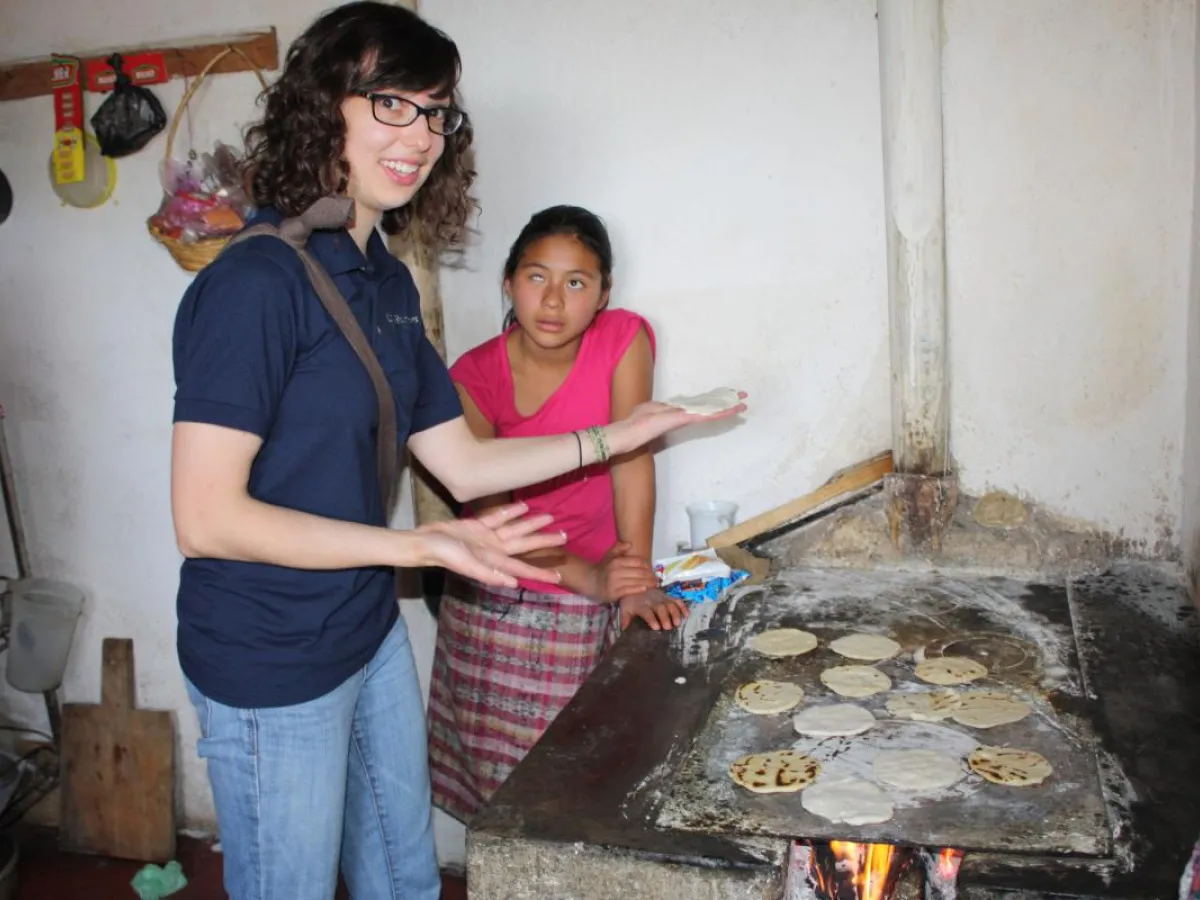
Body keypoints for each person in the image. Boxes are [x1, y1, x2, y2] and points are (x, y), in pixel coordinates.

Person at [169, 3, 743, 899]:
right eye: (390, 103)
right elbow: (206, 518)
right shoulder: (254, 284)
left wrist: (616, 435)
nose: (421, 134)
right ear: (326, 104)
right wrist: (421, 546)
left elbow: (466, 462)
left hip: (362, 631)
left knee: (404, 876)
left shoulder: (385, 282)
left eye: (436, 111)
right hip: (269, 654)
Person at [426, 205, 690, 823]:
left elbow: (631, 456)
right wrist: (592, 578)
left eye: (576, 283)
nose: (553, 300)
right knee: (510, 793)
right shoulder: (472, 376)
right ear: (508, 282)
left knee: (588, 780)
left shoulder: (623, 338)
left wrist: (632, 577)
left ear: (603, 295)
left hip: (596, 583)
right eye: (536, 277)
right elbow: (490, 517)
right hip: (503, 595)